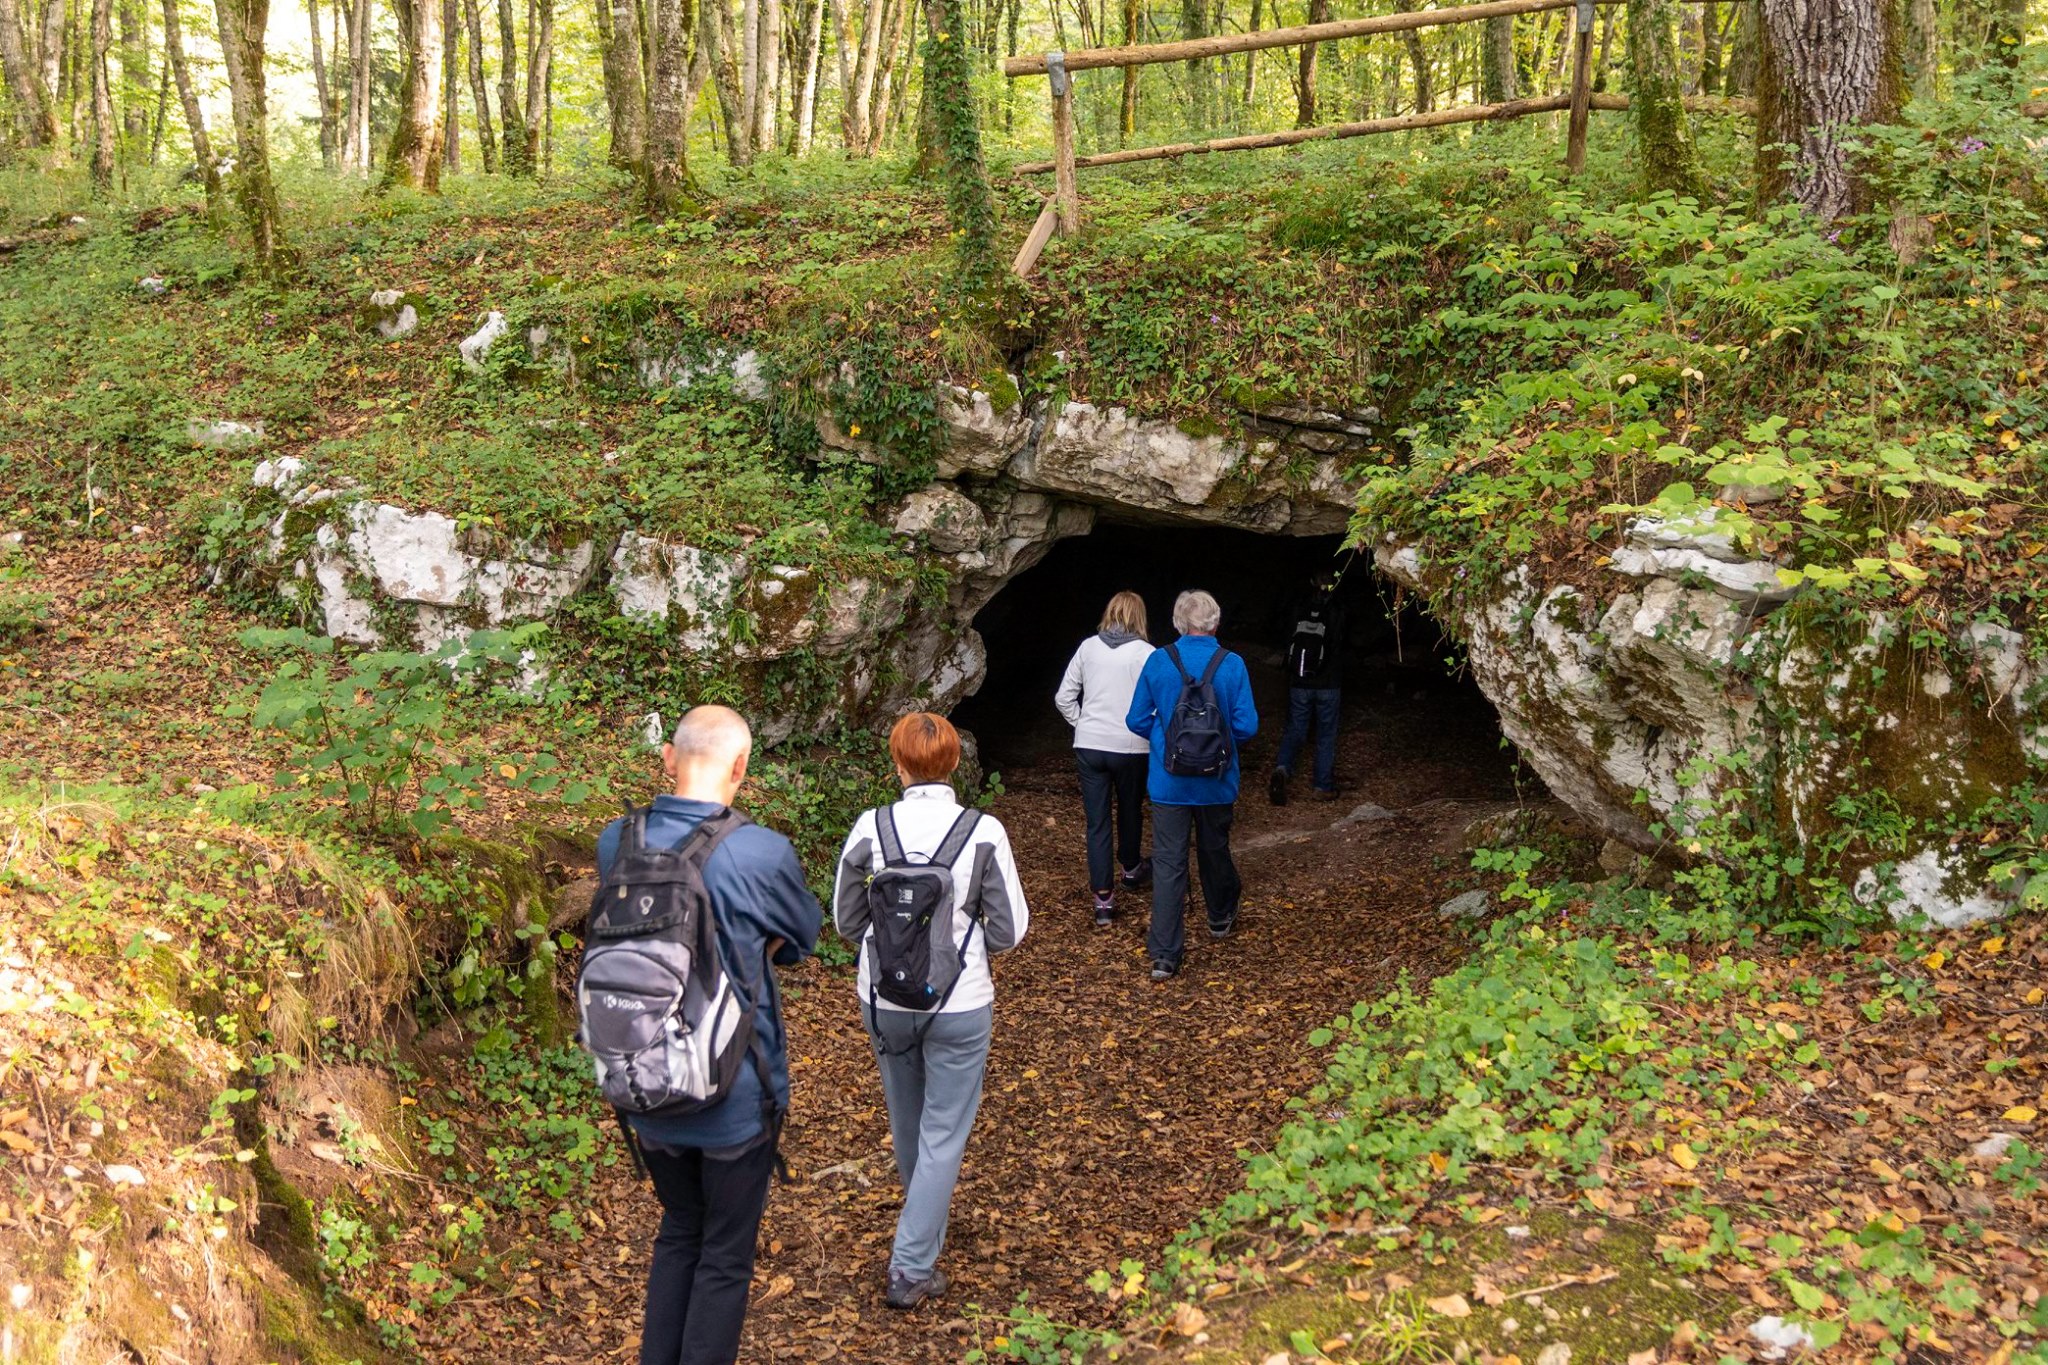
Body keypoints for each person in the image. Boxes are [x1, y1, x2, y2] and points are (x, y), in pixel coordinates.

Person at [592, 706, 822, 1365]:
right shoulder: (762, 852)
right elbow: (799, 939)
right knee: (723, 1255)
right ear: (742, 768)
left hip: (645, 1086)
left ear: (669, 756)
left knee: (678, 1232)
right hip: (733, 1098)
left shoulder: (618, 841)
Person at [833, 712, 1030, 1310]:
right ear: (953, 763)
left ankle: (924, 1231)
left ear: (898, 765)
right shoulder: (985, 831)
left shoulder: (872, 827)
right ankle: (911, 1266)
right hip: (960, 1002)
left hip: (883, 998)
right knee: (943, 1131)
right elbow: (1011, 931)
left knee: (909, 1121)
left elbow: (845, 923)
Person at [1124, 590, 1259, 982]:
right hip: (1217, 782)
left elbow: (1135, 719)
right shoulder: (1232, 664)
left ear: (1179, 624)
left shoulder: (1159, 661)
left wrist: (1167, 735)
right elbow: (1247, 726)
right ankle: (1219, 917)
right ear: (1215, 623)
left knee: (1168, 861)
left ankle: (1164, 955)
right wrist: (1216, 741)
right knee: (1214, 848)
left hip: (1169, 782)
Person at [1053, 590, 1155, 927]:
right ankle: (1130, 869)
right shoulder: (1147, 654)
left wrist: (1081, 723)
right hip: (1131, 745)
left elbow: (1064, 697)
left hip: (1090, 745)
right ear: (1139, 617)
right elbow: (1157, 702)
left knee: (1097, 823)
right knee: (1129, 808)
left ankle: (1103, 902)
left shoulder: (1088, 647)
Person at [1270, 568, 1348, 805]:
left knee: (1295, 728)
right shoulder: (1338, 609)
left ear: (1312, 581)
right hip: (1329, 683)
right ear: (1334, 583)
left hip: (1300, 681)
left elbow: (1286, 637)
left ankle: (1282, 770)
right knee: (1326, 735)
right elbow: (1343, 642)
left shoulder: (1298, 607)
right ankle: (1321, 786)